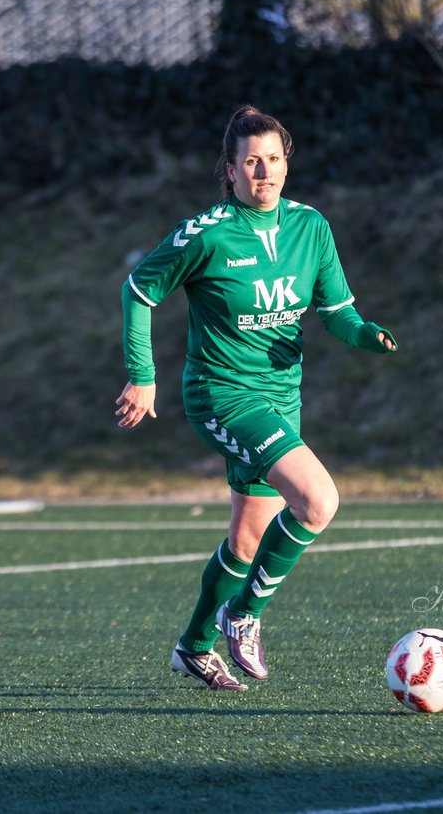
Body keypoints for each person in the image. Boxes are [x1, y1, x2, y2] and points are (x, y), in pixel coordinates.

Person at [115, 105, 397, 691]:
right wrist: (143, 375)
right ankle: (242, 615)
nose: (263, 171)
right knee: (318, 501)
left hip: (279, 397)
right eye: (250, 162)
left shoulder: (311, 227)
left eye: (272, 159)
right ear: (231, 170)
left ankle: (193, 648)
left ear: (286, 163)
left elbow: (337, 312)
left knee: (247, 540)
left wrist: (365, 334)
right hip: (220, 394)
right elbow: (138, 289)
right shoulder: (207, 234)